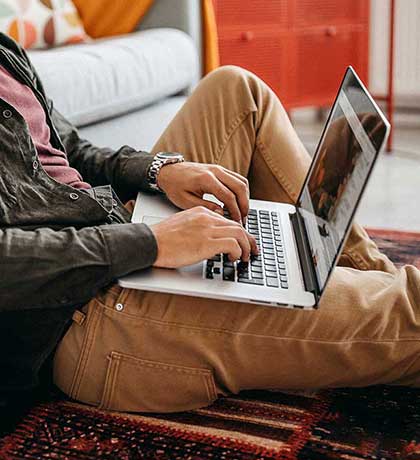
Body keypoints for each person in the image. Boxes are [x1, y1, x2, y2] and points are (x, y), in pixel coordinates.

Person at [1, 32, 420, 415]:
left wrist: (157, 172)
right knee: (411, 311)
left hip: (112, 224)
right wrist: (151, 243)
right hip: (83, 313)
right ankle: (385, 317)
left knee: (237, 92)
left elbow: (66, 147)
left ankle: (370, 291)